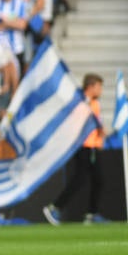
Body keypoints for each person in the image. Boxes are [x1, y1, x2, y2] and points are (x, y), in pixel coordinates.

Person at [44, 74, 109, 224]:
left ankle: (91, 214)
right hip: (84, 146)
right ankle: (55, 207)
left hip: (94, 145)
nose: (101, 90)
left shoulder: (94, 103)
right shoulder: (80, 102)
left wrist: (100, 132)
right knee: (80, 179)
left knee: (97, 180)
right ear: (91, 86)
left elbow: (96, 123)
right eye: (99, 87)